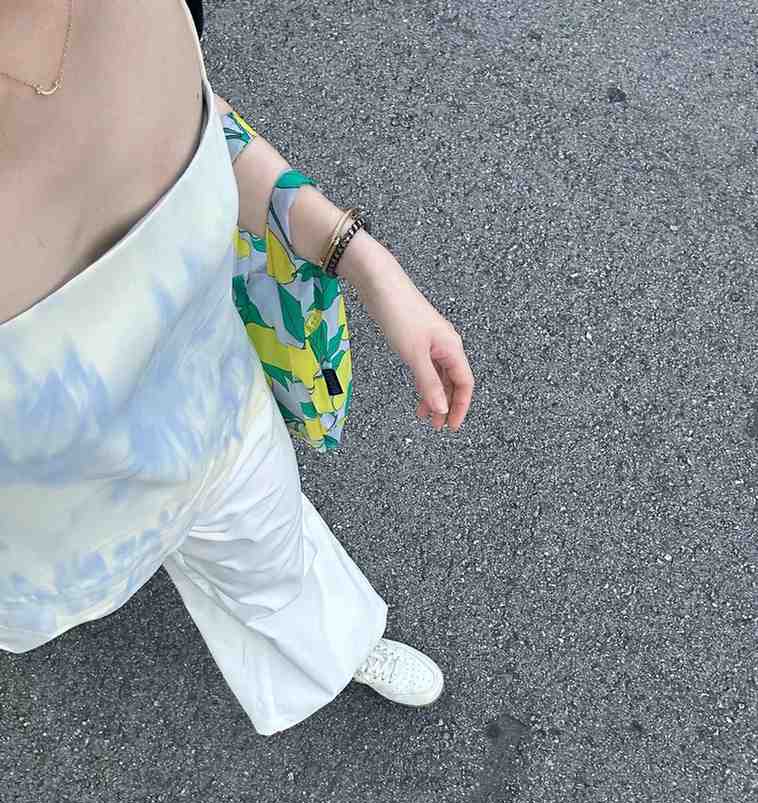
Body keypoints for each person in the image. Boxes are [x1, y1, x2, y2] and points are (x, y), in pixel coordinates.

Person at [0, 0, 475, 735]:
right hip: (34, 505)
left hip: (206, 402)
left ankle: (335, 641)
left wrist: (366, 262)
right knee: (50, 600)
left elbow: (196, 124)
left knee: (271, 549)